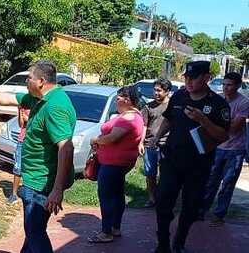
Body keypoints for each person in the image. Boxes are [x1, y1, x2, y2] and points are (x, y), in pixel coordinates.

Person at [0, 60, 76, 253]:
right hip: (35, 179)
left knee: (34, 232)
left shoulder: (54, 106)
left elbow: (66, 148)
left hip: (41, 183)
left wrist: (57, 189)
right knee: (34, 231)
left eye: (29, 78)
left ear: (41, 81)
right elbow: (6, 99)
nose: (26, 82)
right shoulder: (38, 98)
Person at [149, 61, 230, 253]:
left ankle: (179, 242)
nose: (188, 81)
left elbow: (223, 136)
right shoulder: (179, 96)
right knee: (163, 201)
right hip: (172, 160)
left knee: (191, 207)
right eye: (186, 77)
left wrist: (203, 120)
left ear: (206, 78)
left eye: (193, 78)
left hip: (198, 164)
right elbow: (168, 119)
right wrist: (157, 137)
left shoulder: (218, 104)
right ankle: (163, 244)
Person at [87, 86, 145, 243]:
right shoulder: (130, 116)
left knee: (106, 196)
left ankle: (106, 232)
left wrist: (96, 140)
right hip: (116, 163)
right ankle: (115, 227)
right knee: (117, 194)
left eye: (118, 97)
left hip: (114, 164)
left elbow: (113, 137)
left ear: (127, 99)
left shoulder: (130, 118)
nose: (116, 100)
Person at [199, 72, 249, 226]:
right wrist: (212, 124)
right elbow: (206, 121)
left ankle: (219, 215)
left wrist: (212, 124)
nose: (226, 88)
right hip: (217, 147)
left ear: (237, 86)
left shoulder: (243, 102)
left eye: (229, 85)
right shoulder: (218, 99)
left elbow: (234, 128)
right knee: (210, 181)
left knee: (227, 184)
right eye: (224, 84)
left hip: (235, 149)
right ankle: (201, 211)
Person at [141, 78, 173, 208]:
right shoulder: (148, 107)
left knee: (166, 174)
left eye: (159, 90)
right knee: (150, 174)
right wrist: (141, 143)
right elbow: (144, 126)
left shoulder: (172, 106)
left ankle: (164, 198)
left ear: (167, 92)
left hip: (167, 145)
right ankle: (152, 198)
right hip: (150, 145)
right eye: (154, 90)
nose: (156, 93)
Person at [7, 106, 30, 204]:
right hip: (22, 140)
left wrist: (28, 119)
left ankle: (30, 192)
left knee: (31, 168)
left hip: (34, 141)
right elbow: (21, 125)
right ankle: (14, 194)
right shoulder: (23, 106)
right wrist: (21, 112)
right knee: (18, 167)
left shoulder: (39, 104)